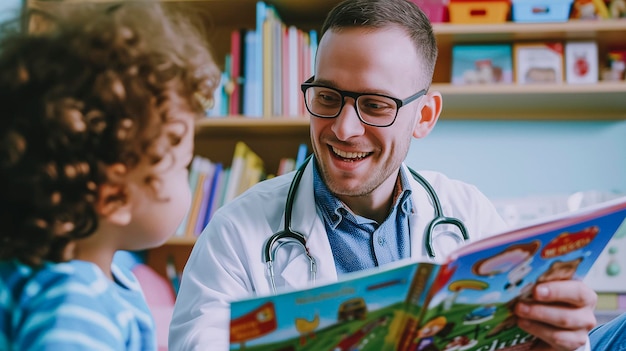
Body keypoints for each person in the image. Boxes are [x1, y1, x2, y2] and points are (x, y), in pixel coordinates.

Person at [169, 0, 598, 350]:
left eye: (375, 105)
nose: (343, 128)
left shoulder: (467, 214)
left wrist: (554, 340)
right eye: (327, 96)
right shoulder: (234, 234)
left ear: (423, 117)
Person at [0, 2, 218, 350]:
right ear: (116, 198)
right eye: (182, 166)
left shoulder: (31, 273)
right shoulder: (76, 304)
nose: (187, 179)